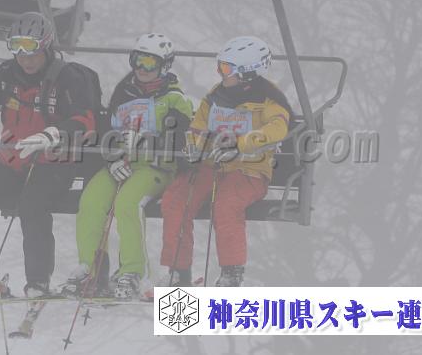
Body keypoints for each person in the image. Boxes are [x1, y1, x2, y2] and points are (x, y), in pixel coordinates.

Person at [0, 11, 98, 303]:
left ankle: (38, 282)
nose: (25, 59)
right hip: (13, 161)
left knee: (31, 203)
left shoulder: (68, 78)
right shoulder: (7, 75)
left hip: (54, 164)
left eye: (31, 50)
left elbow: (85, 119)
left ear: (46, 46)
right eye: (18, 50)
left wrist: (52, 134)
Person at [63, 33, 193, 300]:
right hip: (122, 164)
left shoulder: (174, 98)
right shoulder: (123, 93)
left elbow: (179, 139)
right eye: (137, 60)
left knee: (127, 203)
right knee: (91, 201)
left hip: (155, 167)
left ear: (164, 66)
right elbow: (107, 132)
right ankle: (90, 268)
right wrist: (111, 159)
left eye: (149, 63)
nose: (141, 68)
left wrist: (147, 140)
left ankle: (132, 272)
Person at [157, 36, 292, 287]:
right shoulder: (216, 94)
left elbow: (277, 129)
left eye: (227, 68)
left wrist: (240, 144)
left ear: (248, 72)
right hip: (212, 164)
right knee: (176, 200)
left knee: (226, 205)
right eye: (220, 66)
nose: (221, 73)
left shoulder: (269, 98)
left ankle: (232, 273)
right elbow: (198, 126)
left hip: (248, 169)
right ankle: (179, 272)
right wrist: (194, 147)